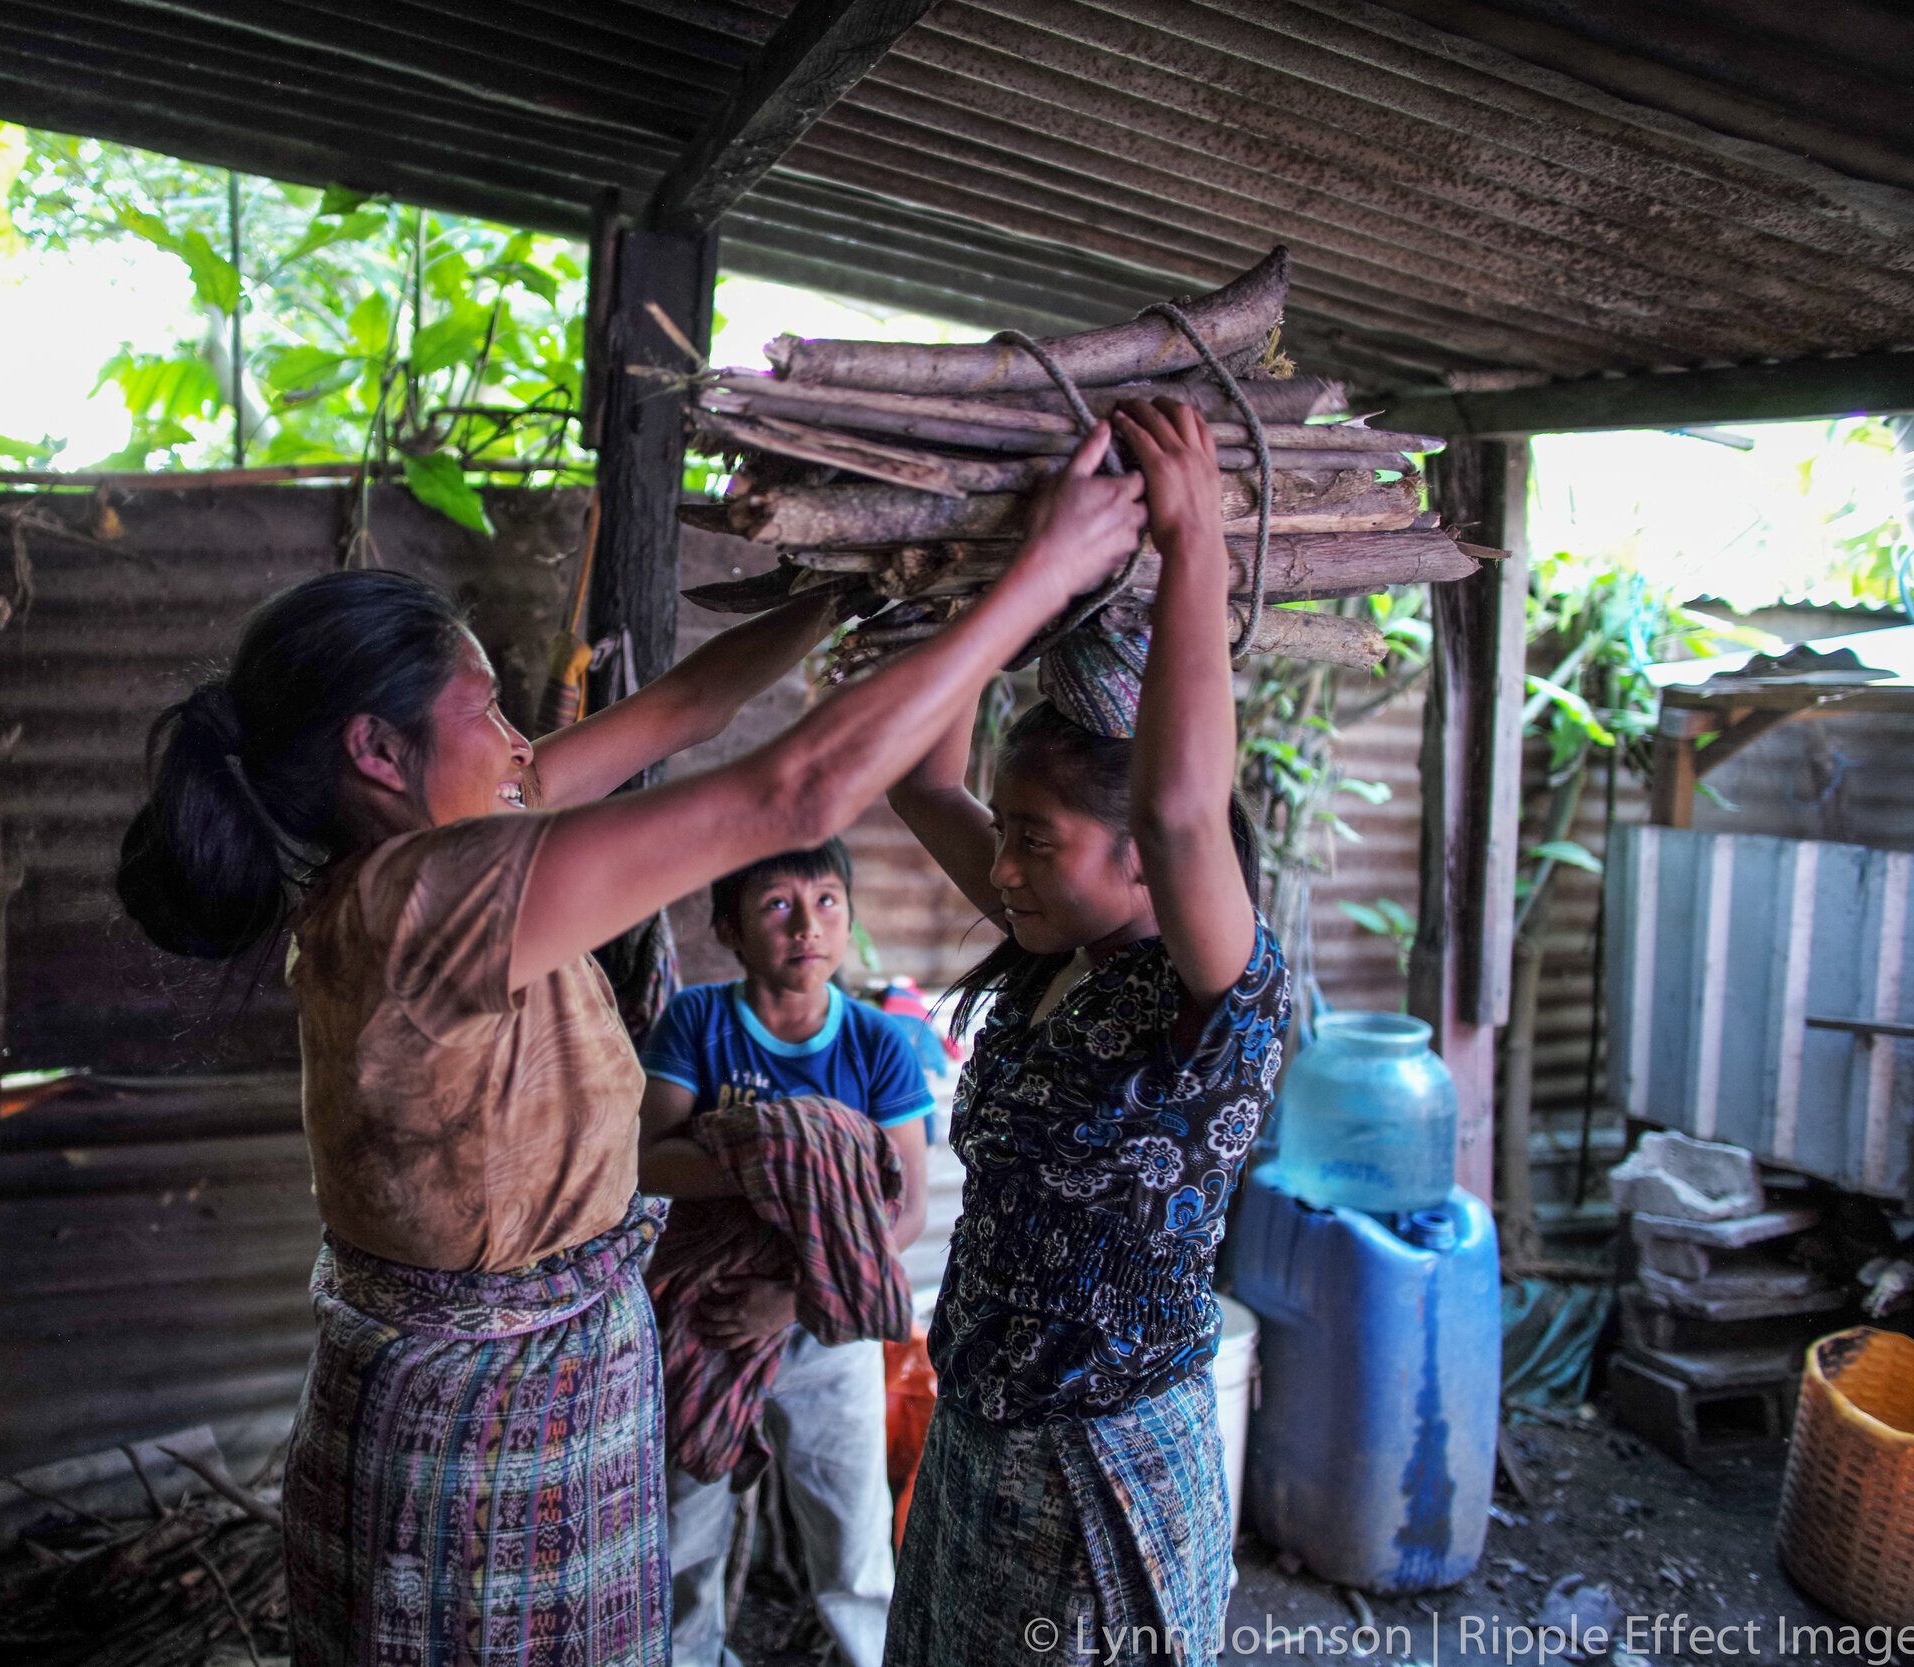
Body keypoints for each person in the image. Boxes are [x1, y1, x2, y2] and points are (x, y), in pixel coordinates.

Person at [115, 427, 1145, 1667]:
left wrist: (861, 584)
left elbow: (685, 706)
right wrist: (1037, 577)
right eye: (482, 709)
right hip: (479, 1437)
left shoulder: (445, 844)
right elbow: (792, 796)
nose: (513, 740)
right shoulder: (423, 900)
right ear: (377, 754)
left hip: (538, 1396)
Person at [882, 398, 1294, 1667]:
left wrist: (1195, 543)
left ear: (1137, 860)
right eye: (1004, 830)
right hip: (980, 1436)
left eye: (1035, 838)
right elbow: (916, 778)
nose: (1000, 864)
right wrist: (1010, 582)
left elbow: (1184, 810)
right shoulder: (1051, 948)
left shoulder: (1210, 993)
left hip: (1098, 1460)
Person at [635, 838, 931, 1667]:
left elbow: (901, 1207)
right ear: (728, 926)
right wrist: (778, 1140)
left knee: (853, 1537)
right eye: (778, 905)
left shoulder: (876, 1042)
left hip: (822, 1333)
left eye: (828, 901)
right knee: (683, 1532)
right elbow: (647, 1157)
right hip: (709, 1322)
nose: (808, 924)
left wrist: (795, 1298)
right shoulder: (697, 1020)